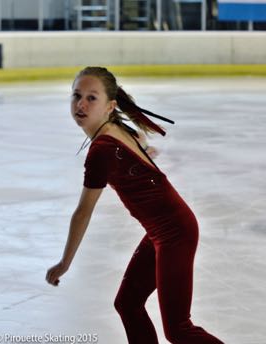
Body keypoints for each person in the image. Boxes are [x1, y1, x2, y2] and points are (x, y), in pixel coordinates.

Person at [46, 66, 225, 344]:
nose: (81, 104)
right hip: (162, 231)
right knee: (127, 304)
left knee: (178, 328)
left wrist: (64, 263)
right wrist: (142, 151)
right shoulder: (115, 128)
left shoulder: (102, 150)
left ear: (110, 106)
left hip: (175, 233)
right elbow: (138, 139)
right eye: (76, 95)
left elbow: (83, 213)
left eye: (92, 98)